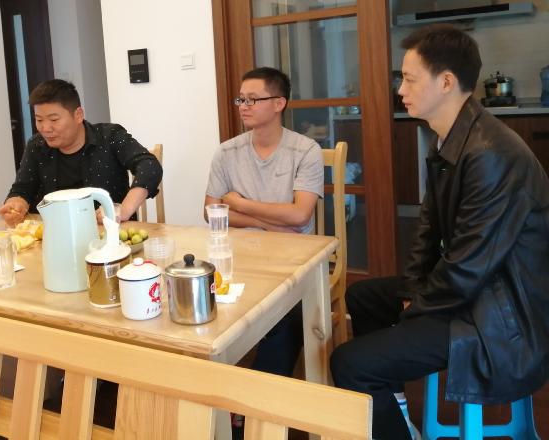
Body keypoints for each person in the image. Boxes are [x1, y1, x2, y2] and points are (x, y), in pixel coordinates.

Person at [331, 24, 549, 440]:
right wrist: (413, 290)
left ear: (446, 82)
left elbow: (468, 266)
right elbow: (428, 228)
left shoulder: (491, 153)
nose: (401, 90)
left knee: (350, 363)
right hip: (480, 292)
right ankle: (396, 414)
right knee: (364, 298)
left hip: (503, 312)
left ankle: (388, 416)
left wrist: (414, 310)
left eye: (410, 79)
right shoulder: (450, 138)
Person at [205, 66, 323, 378]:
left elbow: (300, 215)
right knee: (201, 299)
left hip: (293, 259)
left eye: (253, 99)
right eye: (240, 99)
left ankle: (259, 395)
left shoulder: (305, 150)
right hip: (239, 257)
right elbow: (211, 212)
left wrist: (240, 204)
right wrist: (270, 223)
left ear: (279, 103)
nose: (243, 106)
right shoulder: (227, 152)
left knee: (285, 317)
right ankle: (215, 385)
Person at [0, 79, 162, 225]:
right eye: (39, 120)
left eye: (54, 120)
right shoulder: (36, 146)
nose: (45, 128)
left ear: (78, 115)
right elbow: (22, 189)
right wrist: (16, 204)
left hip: (110, 234)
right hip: (56, 235)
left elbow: (149, 166)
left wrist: (123, 209)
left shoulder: (110, 136)